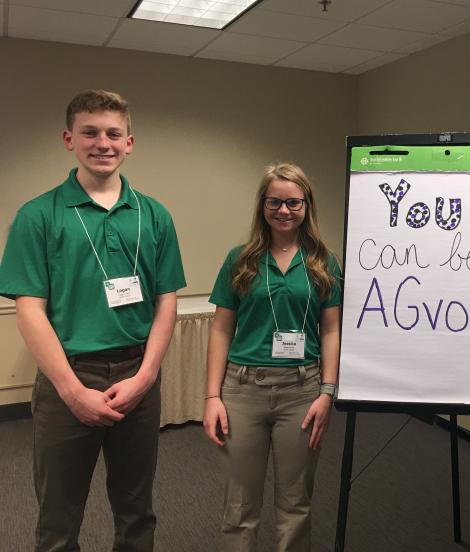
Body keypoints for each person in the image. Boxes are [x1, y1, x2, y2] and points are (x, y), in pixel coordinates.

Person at [0, 89, 186, 551]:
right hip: (70, 375)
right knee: (58, 517)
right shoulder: (38, 215)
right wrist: (71, 391)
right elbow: (29, 311)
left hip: (137, 374)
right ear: (69, 139)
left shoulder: (154, 215)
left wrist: (146, 377)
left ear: (129, 143)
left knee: (136, 510)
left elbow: (166, 302)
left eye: (113, 133)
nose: (102, 143)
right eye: (90, 132)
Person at [203, 163, 342, 552]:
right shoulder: (241, 259)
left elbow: (331, 330)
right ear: (262, 205)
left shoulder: (324, 262)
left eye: (293, 202)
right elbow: (220, 330)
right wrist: (212, 397)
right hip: (242, 390)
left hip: (302, 390)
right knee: (239, 506)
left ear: (307, 206)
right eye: (275, 201)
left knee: (296, 504)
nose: (284, 210)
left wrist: (327, 392)